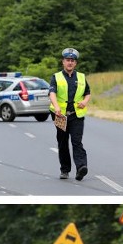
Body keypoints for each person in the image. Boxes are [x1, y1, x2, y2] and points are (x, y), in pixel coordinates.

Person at [49, 47, 91, 181]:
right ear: (63, 62)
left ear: (75, 63)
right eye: (67, 60)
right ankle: (65, 170)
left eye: (72, 60)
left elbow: (87, 93)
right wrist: (56, 107)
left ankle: (81, 167)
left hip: (76, 115)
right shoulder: (56, 77)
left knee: (76, 141)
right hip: (60, 115)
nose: (70, 63)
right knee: (62, 142)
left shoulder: (81, 77)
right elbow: (52, 93)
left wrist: (85, 101)